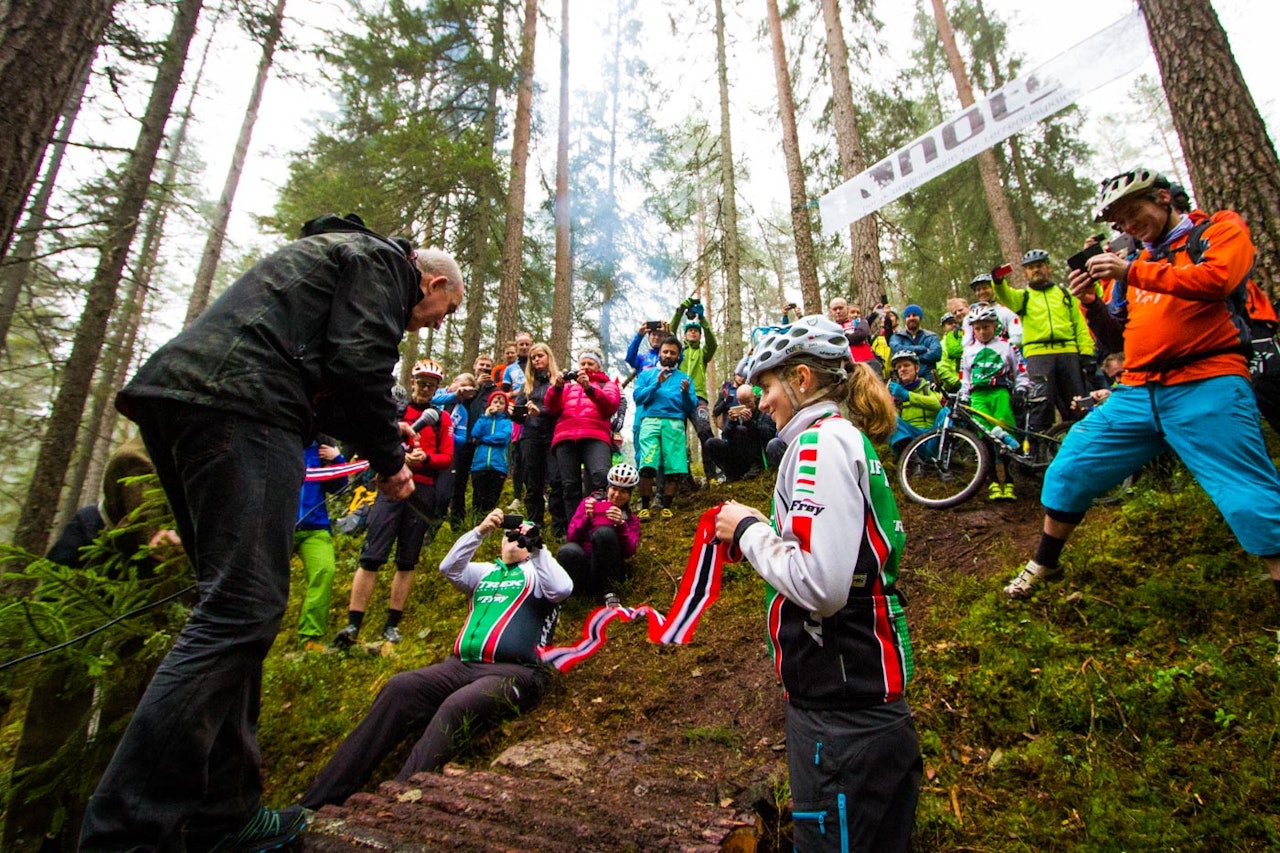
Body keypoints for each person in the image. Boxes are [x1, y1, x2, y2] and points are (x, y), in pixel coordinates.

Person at [81, 213, 463, 850]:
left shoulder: (342, 260)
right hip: (241, 405)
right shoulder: (379, 264)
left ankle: (224, 816)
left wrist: (378, 428)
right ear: (429, 281)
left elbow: (329, 372)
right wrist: (391, 463)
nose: (435, 323)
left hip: (191, 398)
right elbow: (356, 361)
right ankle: (125, 832)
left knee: (236, 612)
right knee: (240, 611)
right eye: (443, 309)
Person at [1006, 166, 1280, 601]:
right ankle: (1045, 563)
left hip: (1207, 381)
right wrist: (1092, 305)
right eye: (1121, 225)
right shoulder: (1135, 263)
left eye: (1135, 215)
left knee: (1248, 495)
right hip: (1136, 392)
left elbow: (1220, 279)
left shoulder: (1218, 229)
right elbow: (1118, 337)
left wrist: (1130, 272)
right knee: (1069, 467)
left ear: (1163, 199)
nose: (1130, 228)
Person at [714, 315, 921, 852]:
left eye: (766, 386)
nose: (760, 402)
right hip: (862, 702)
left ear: (801, 379)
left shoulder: (817, 445)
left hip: (841, 713)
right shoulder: (842, 440)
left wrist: (750, 531)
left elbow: (820, 586)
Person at [300, 511, 572, 810]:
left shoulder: (539, 573)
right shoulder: (484, 573)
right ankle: (317, 800)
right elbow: (449, 568)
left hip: (515, 672)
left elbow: (562, 589)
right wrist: (479, 531)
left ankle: (396, 801)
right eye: (510, 535)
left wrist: (538, 548)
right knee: (399, 688)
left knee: (456, 706)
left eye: (521, 537)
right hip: (459, 665)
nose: (514, 539)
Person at [335, 358, 454, 647]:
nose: (426, 388)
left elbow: (448, 458)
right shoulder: (395, 412)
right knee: (372, 555)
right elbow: (375, 445)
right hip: (390, 487)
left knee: (407, 559)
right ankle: (353, 624)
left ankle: (392, 624)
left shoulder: (442, 419)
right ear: (412, 382)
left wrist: (426, 459)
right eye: (422, 383)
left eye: (432, 385)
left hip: (422, 491)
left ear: (438, 388)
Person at [992, 251, 1094, 432]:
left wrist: (1086, 353)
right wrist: (998, 280)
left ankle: (1084, 443)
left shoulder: (1065, 294)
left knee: (1078, 404)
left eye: (1039, 266)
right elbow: (1003, 293)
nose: (1035, 270)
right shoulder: (1022, 297)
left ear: (1048, 268)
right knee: (1041, 405)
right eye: (1031, 268)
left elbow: (1080, 325)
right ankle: (1037, 451)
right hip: (1038, 356)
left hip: (1068, 353)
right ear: (1026, 273)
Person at [958, 306, 1030, 501]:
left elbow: (1021, 370)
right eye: (978, 328)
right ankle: (992, 481)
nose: (982, 332)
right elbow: (965, 377)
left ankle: (1008, 480)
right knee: (984, 434)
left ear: (995, 326)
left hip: (1000, 392)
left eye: (986, 327)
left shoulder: (1007, 347)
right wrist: (963, 395)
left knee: (1005, 432)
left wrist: (1021, 390)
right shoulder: (969, 351)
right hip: (978, 395)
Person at [546, 351, 622, 528]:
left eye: (590, 364)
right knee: (570, 485)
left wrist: (590, 388)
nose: (586, 367)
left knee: (600, 477)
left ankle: (602, 523)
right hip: (565, 437)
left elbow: (610, 406)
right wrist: (557, 387)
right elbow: (552, 407)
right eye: (583, 364)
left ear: (598, 367)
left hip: (595, 435)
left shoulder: (607, 384)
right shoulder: (568, 387)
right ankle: (575, 528)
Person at [632, 336, 698, 520]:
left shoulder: (684, 378)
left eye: (673, 353)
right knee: (648, 464)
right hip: (650, 421)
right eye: (665, 352)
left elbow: (691, 406)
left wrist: (685, 394)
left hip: (674, 423)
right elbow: (638, 398)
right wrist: (656, 384)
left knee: (673, 467)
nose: (668, 355)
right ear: (659, 353)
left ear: (678, 356)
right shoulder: (646, 374)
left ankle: (666, 507)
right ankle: (645, 506)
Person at [557, 463, 641, 604]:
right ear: (608, 488)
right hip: (585, 566)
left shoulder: (630, 519)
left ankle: (610, 593)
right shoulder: (588, 503)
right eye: (614, 489)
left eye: (623, 492)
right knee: (567, 551)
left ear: (629, 495)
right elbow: (571, 537)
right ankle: (572, 596)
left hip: (610, 569)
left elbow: (630, 551)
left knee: (604, 533)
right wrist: (586, 518)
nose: (616, 495)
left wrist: (621, 525)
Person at [296, 438, 347, 650]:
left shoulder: (321, 445)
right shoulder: (278, 437)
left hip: (315, 525)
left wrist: (337, 459)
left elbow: (339, 487)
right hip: (276, 523)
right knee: (265, 580)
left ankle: (309, 638)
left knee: (324, 571)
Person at [513, 343, 561, 531]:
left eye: (540, 356)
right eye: (533, 358)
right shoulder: (527, 385)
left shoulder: (557, 381)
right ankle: (535, 523)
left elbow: (561, 408)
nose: (536, 360)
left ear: (548, 357)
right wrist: (514, 412)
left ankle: (559, 524)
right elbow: (519, 415)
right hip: (530, 435)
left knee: (556, 480)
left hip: (553, 434)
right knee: (533, 482)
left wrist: (539, 412)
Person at [670, 296, 718, 480]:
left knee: (705, 431)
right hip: (678, 398)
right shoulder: (680, 352)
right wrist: (680, 310)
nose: (693, 333)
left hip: (698, 397)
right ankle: (684, 477)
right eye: (689, 331)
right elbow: (670, 332)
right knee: (677, 436)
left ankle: (711, 475)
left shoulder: (703, 353)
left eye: (696, 331)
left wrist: (702, 320)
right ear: (685, 334)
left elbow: (713, 342)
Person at [450, 355, 498, 527]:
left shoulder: (494, 391)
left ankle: (479, 519)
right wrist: (477, 386)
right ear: (475, 366)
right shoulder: (466, 386)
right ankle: (456, 520)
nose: (484, 368)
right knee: (458, 482)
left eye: (488, 366)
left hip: (484, 443)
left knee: (481, 484)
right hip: (464, 441)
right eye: (482, 365)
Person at [703, 383, 776, 481]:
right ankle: (730, 473)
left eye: (748, 401)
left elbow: (768, 434)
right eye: (742, 402)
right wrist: (731, 422)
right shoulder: (737, 410)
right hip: (739, 455)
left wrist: (750, 423)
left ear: (754, 397)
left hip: (757, 455)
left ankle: (756, 470)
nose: (745, 406)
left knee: (741, 430)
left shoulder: (763, 408)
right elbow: (726, 436)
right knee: (711, 443)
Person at [887, 350, 945, 459]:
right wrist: (890, 399)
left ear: (917, 368)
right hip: (911, 441)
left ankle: (945, 457)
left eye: (906, 365)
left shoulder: (929, 387)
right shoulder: (895, 393)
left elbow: (938, 404)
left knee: (946, 412)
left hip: (933, 437)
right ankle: (912, 461)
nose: (902, 369)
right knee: (890, 418)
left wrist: (908, 396)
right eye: (898, 368)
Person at [469, 389, 515, 514]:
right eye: (495, 402)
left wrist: (483, 439)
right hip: (479, 465)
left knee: (492, 499)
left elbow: (502, 438)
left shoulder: (507, 422)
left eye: (501, 403)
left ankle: (489, 526)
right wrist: (485, 416)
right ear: (489, 404)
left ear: (505, 407)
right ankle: (476, 525)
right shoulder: (483, 419)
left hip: (498, 465)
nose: (498, 405)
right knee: (478, 498)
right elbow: (474, 433)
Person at [503, 332, 534, 512]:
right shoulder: (510, 369)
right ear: (516, 347)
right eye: (520, 344)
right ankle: (516, 496)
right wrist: (517, 394)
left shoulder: (537, 363)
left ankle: (536, 492)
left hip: (535, 413)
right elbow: (504, 393)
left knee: (534, 456)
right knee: (519, 456)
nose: (524, 347)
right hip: (517, 415)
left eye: (526, 344)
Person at [887, 304, 942, 381]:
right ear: (905, 319)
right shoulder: (897, 336)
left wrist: (914, 358)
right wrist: (922, 349)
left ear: (920, 318)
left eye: (914, 315)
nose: (911, 318)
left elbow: (936, 354)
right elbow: (897, 349)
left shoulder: (931, 336)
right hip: (905, 381)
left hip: (928, 380)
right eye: (908, 316)